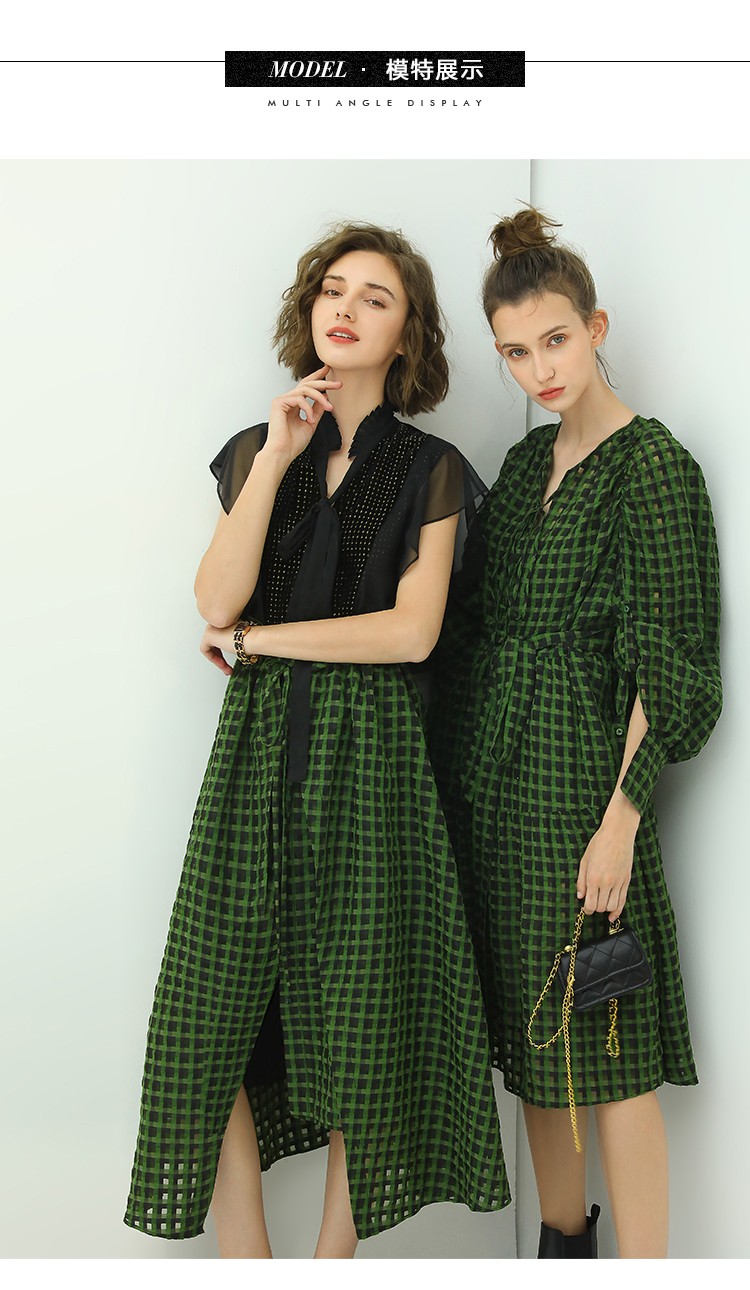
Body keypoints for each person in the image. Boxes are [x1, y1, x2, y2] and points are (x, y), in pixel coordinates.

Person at [123, 221, 509, 1258]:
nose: (345, 308)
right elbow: (213, 597)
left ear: (407, 335)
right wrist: (277, 457)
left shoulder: (432, 468)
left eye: (376, 298)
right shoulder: (261, 450)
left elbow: (410, 633)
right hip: (254, 756)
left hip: (375, 758)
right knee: (202, 1018)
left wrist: (260, 640)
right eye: (333, 289)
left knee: (358, 1016)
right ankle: (249, 1263)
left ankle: (330, 1267)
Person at [429, 207, 722, 1259]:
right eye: (516, 352)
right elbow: (466, 631)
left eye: (555, 339)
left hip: (583, 799)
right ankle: (563, 1255)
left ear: (595, 327)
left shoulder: (653, 466)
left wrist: (621, 821)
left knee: (610, 1047)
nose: (539, 369)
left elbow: (670, 659)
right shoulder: (521, 470)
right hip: (496, 798)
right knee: (534, 1050)